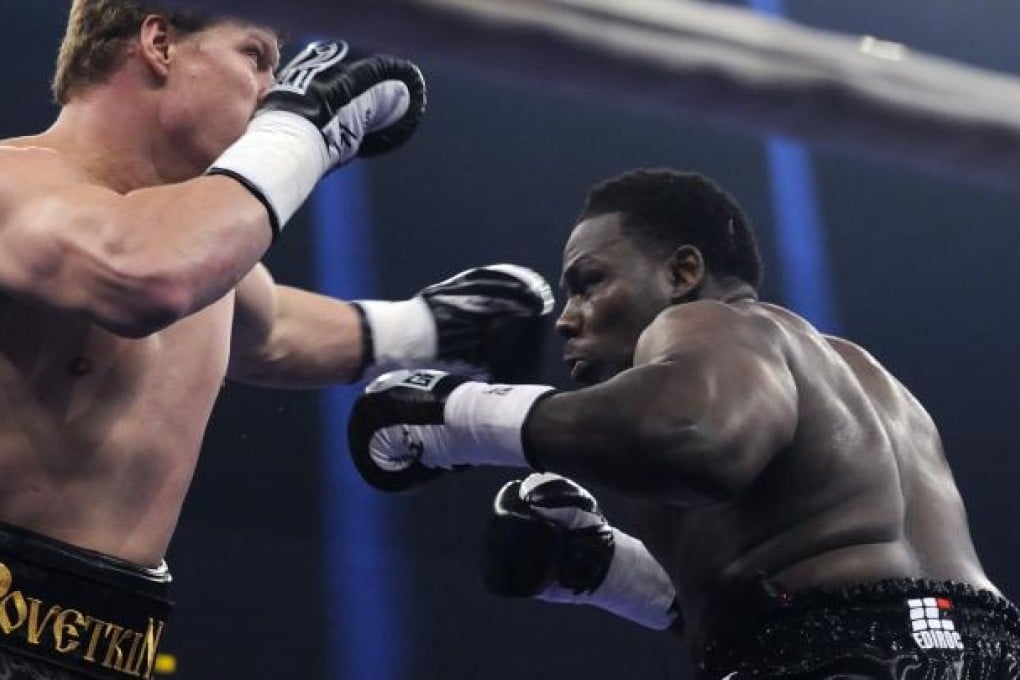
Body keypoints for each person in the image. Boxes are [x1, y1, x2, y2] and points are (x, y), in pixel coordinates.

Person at [0, 2, 553, 679]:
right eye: (256, 57)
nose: (272, 92)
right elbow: (142, 277)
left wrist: (438, 326)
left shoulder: (196, 246)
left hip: (119, 640)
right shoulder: (16, 184)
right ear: (160, 41)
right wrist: (303, 130)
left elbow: (275, 333)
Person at [349, 168, 1020, 678]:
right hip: (985, 647)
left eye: (589, 281)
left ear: (682, 272)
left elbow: (694, 440)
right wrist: (604, 571)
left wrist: (455, 415)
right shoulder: (859, 375)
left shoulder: (712, 322)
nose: (566, 316)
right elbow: (806, 591)